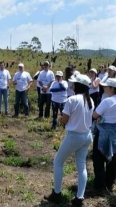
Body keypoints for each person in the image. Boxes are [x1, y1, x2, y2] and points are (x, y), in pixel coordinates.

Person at [44, 74, 94, 207]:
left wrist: (61, 120)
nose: (71, 85)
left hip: (74, 136)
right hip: (87, 136)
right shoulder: (90, 100)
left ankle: (57, 193)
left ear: (78, 85)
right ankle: (79, 197)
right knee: (81, 166)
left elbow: (64, 120)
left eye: (74, 83)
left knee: (58, 161)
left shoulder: (72, 100)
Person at [92, 78, 116, 193]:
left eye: (106, 86)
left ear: (112, 89)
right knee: (111, 157)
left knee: (98, 159)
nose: (104, 88)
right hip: (115, 132)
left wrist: (99, 118)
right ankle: (109, 181)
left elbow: (94, 115)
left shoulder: (107, 101)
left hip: (104, 132)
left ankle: (99, 184)